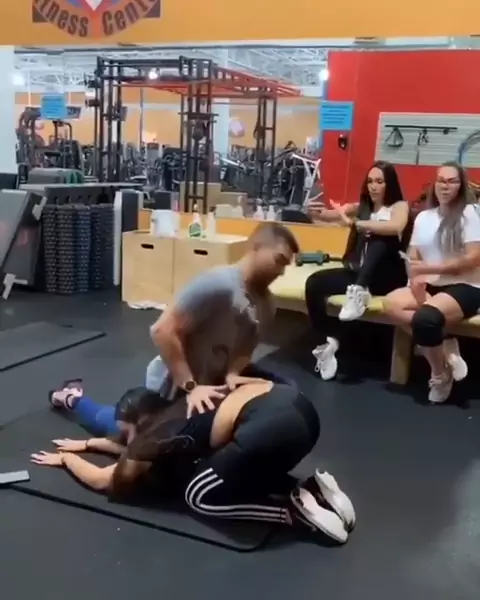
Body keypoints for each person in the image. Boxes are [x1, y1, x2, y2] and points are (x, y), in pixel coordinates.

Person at [34, 381, 356, 544]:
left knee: (198, 495)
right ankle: (313, 488)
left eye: (127, 433)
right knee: (236, 467)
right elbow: (128, 445)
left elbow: (103, 479)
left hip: (269, 430)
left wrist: (67, 459)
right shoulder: (178, 407)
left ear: (140, 425)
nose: (126, 441)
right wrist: (89, 443)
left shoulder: (154, 438)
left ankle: (292, 513)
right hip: (300, 415)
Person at [147, 221, 300, 416]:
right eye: (279, 260)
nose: (281, 271)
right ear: (256, 247)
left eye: (285, 265)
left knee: (288, 391)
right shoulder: (218, 283)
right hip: (175, 386)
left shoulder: (267, 305)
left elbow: (245, 349)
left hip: (211, 386)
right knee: (134, 430)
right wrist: (191, 387)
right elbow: (161, 331)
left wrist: (233, 373)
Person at [383, 161, 480, 404]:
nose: (445, 186)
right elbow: (413, 256)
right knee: (390, 305)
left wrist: (429, 269)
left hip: (466, 286)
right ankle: (446, 346)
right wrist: (414, 279)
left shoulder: (470, 213)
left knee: (425, 319)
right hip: (431, 285)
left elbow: (473, 259)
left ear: (461, 186)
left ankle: (439, 374)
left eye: (452, 181)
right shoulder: (424, 217)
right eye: (441, 180)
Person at [304, 161, 411, 380]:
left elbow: (396, 227)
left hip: (388, 278)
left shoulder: (399, 206)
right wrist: (315, 212)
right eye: (370, 181)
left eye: (379, 181)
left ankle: (360, 289)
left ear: (389, 184)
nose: (374, 186)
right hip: (361, 273)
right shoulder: (362, 207)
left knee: (381, 236)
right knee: (314, 283)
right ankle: (327, 344)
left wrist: (358, 224)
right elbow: (333, 215)